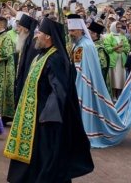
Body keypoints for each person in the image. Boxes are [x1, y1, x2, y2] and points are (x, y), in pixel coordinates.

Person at [5, 17, 94, 182]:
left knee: (48, 154)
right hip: (34, 114)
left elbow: (58, 90)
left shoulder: (56, 59)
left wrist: (48, 116)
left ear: (48, 37)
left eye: (40, 33)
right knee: (37, 152)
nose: (36, 35)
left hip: (48, 117)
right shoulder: (40, 56)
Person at [0, 15, 16, 124]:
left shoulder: (7, 37)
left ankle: (3, 116)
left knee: (3, 92)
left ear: (1, 25)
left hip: (4, 70)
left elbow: (7, 54)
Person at [14, 14, 39, 106]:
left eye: (19, 27)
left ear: (26, 29)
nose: (17, 29)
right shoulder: (25, 41)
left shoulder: (33, 44)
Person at [103, 21, 130, 100]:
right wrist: (116, 48)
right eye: (117, 27)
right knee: (114, 78)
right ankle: (113, 95)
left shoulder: (123, 37)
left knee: (121, 78)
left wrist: (122, 49)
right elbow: (107, 49)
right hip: (113, 61)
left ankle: (120, 95)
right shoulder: (108, 37)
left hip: (122, 61)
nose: (119, 29)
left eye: (120, 27)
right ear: (113, 27)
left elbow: (127, 47)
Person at [88, 21, 109, 86]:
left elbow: (103, 65)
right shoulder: (91, 44)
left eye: (89, 33)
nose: (87, 34)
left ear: (94, 34)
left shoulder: (99, 48)